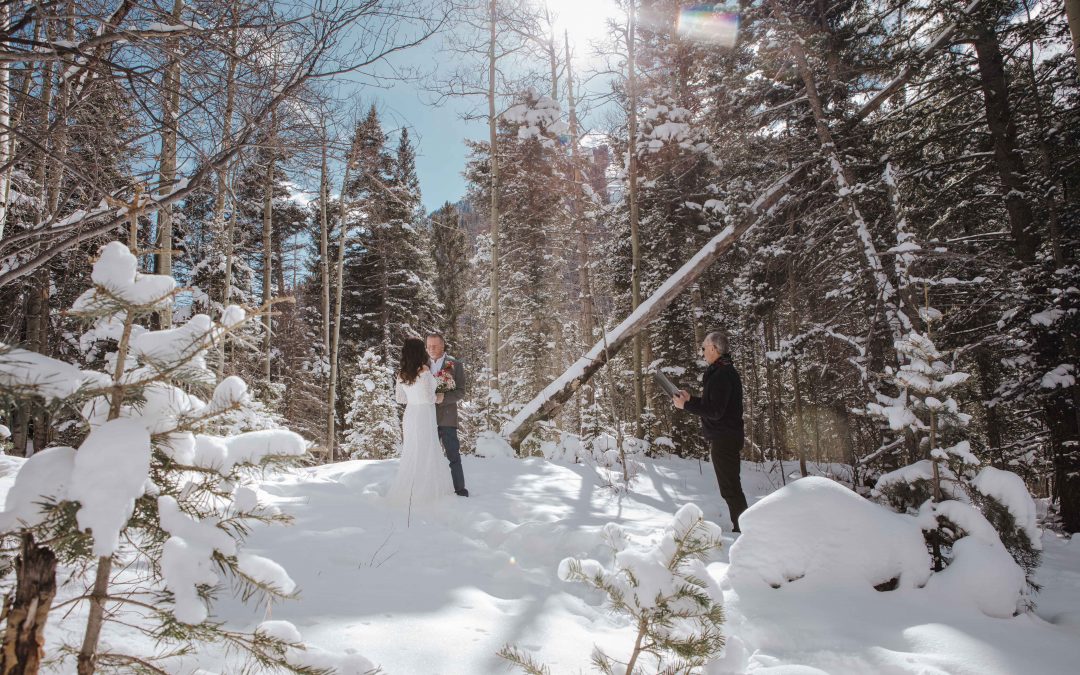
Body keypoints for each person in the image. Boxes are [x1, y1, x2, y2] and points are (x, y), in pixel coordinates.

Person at [672, 331, 748, 532]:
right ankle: (743, 527)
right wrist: (690, 400)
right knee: (730, 487)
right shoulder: (720, 371)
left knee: (730, 488)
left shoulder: (723, 374)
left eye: (704, 347)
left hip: (725, 438)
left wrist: (685, 407)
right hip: (725, 436)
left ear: (714, 349)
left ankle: (743, 530)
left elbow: (714, 412)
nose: (702, 351)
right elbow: (712, 405)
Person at [386, 338, 453, 506]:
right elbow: (429, 397)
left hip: (410, 414)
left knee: (412, 450)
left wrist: (413, 396)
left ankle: (410, 488)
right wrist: (440, 396)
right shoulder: (424, 370)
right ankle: (427, 491)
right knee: (427, 449)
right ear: (419, 351)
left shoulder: (401, 373)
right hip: (424, 414)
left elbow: (400, 399)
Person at [426, 333, 469, 497]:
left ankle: (460, 489)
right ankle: (430, 489)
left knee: (453, 456)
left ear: (442, 346)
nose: (431, 349)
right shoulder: (422, 365)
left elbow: (461, 391)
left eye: (434, 346)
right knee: (428, 456)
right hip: (427, 417)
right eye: (428, 346)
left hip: (448, 417)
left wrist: (444, 398)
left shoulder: (455, 364)